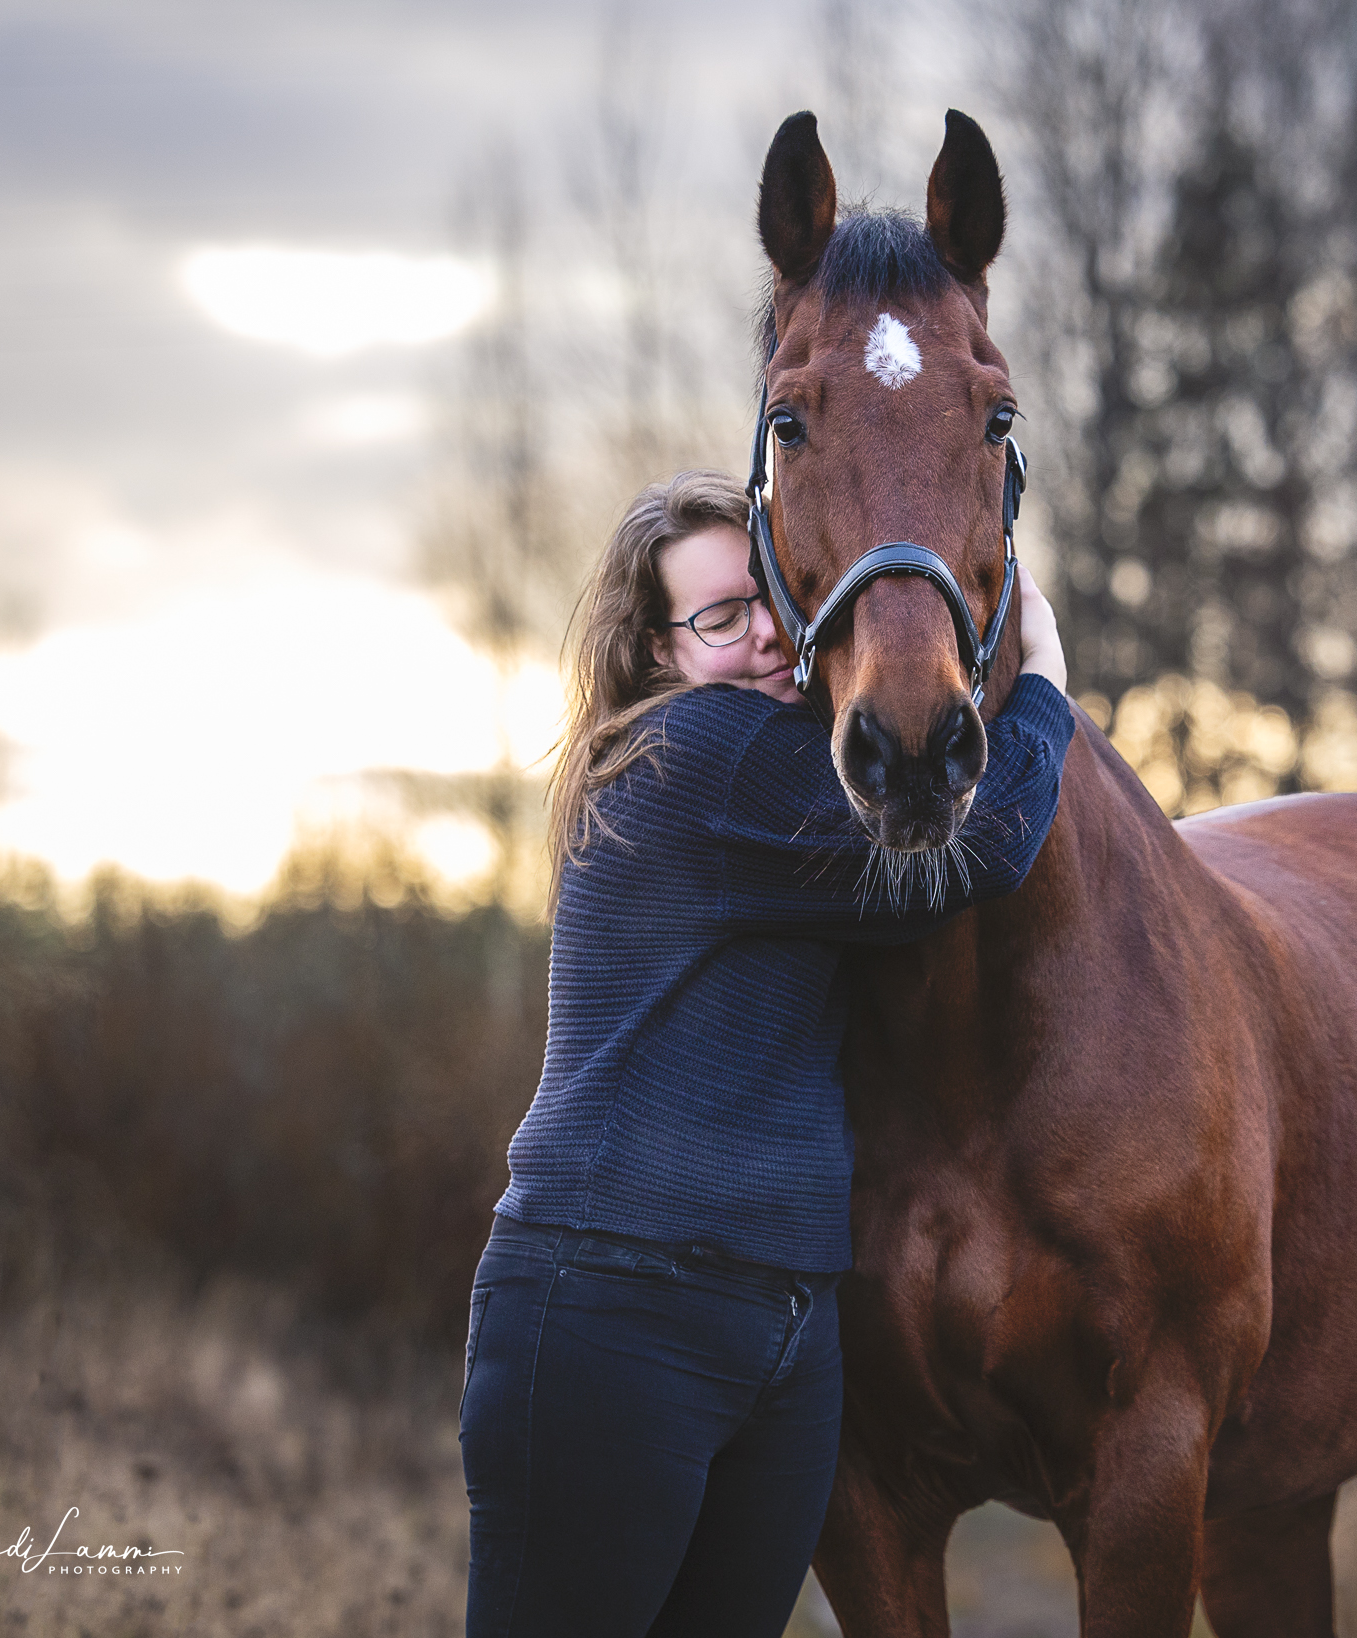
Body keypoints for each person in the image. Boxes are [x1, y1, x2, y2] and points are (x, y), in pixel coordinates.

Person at [458, 468, 1074, 1638]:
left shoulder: (782, 766)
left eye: (772, 601)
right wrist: (1039, 680)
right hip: (613, 1306)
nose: (762, 640)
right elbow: (984, 845)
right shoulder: (696, 750)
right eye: (718, 617)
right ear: (657, 651)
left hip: (778, 1326)